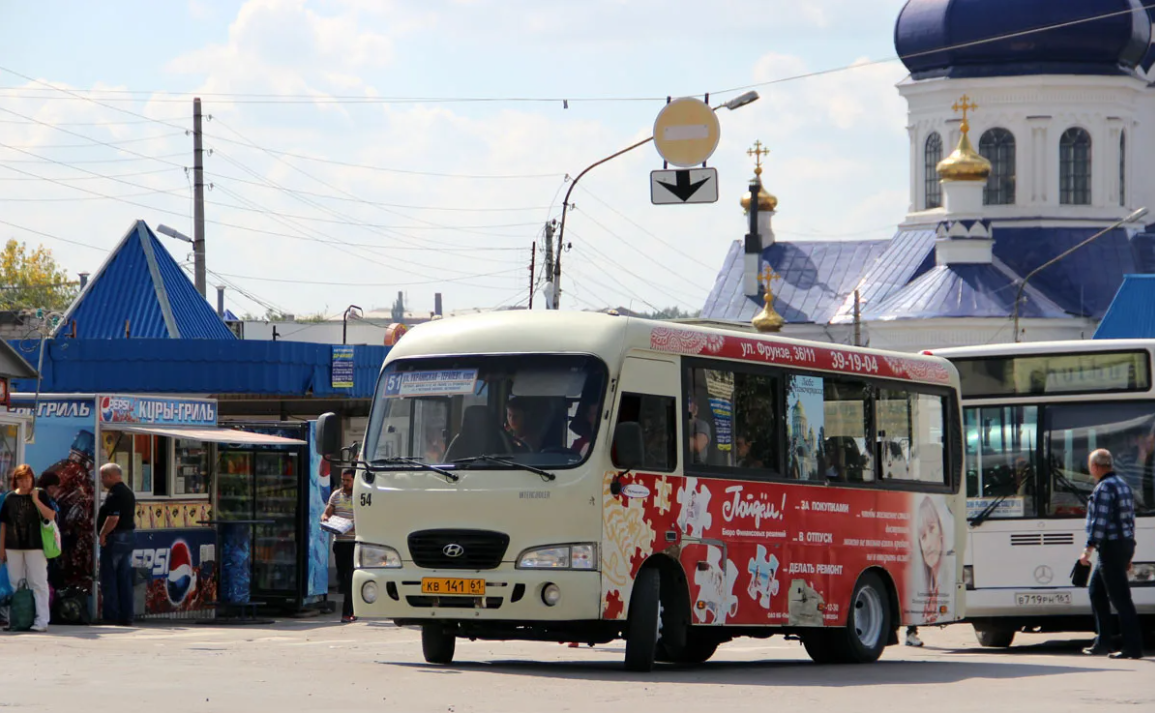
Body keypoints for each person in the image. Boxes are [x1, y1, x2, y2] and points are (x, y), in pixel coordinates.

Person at [1080, 449, 1143, 659]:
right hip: (1123, 544)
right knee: (1096, 591)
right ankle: (1103, 642)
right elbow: (1130, 519)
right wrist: (1129, 553)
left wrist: (1088, 549)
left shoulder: (1103, 488)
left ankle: (1132, 647)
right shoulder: (1123, 485)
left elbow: (1100, 521)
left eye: (1091, 467)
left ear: (1095, 467)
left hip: (1111, 547)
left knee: (1121, 598)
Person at [0, 464, 57, 632]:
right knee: (15, 583)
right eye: (21, 479)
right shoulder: (10, 498)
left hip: (35, 545)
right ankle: (18, 618)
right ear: (15, 481)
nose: (24, 483)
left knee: (38, 582)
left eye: (27, 479)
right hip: (13, 545)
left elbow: (50, 515)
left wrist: (36, 500)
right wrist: (1, 548)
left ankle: (42, 620)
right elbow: (4, 525)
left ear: (32, 479)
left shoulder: (40, 494)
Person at [96, 463, 136, 627]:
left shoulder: (115, 494)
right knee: (124, 578)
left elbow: (113, 518)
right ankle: (126, 616)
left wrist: (103, 533)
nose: (102, 481)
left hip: (115, 538)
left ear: (111, 476)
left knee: (109, 577)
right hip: (127, 537)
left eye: (103, 477)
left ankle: (111, 615)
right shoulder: (128, 492)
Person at [323, 468, 357, 623]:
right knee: (342, 578)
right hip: (340, 543)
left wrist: (354, 525)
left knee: (350, 578)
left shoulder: (360, 496)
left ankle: (348, 612)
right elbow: (328, 511)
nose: (345, 483)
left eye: (348, 480)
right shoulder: (336, 495)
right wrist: (325, 517)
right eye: (343, 480)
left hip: (354, 543)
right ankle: (352, 607)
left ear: (355, 480)